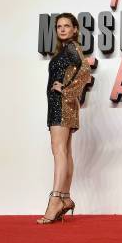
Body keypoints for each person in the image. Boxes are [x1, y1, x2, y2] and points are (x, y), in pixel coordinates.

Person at [38, 13, 91, 224]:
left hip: (61, 105)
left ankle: (55, 200)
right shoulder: (65, 50)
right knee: (65, 152)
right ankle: (66, 198)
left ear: (75, 29)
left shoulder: (71, 47)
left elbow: (85, 71)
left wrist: (67, 91)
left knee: (59, 151)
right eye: (59, 26)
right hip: (61, 105)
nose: (62, 29)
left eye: (66, 26)